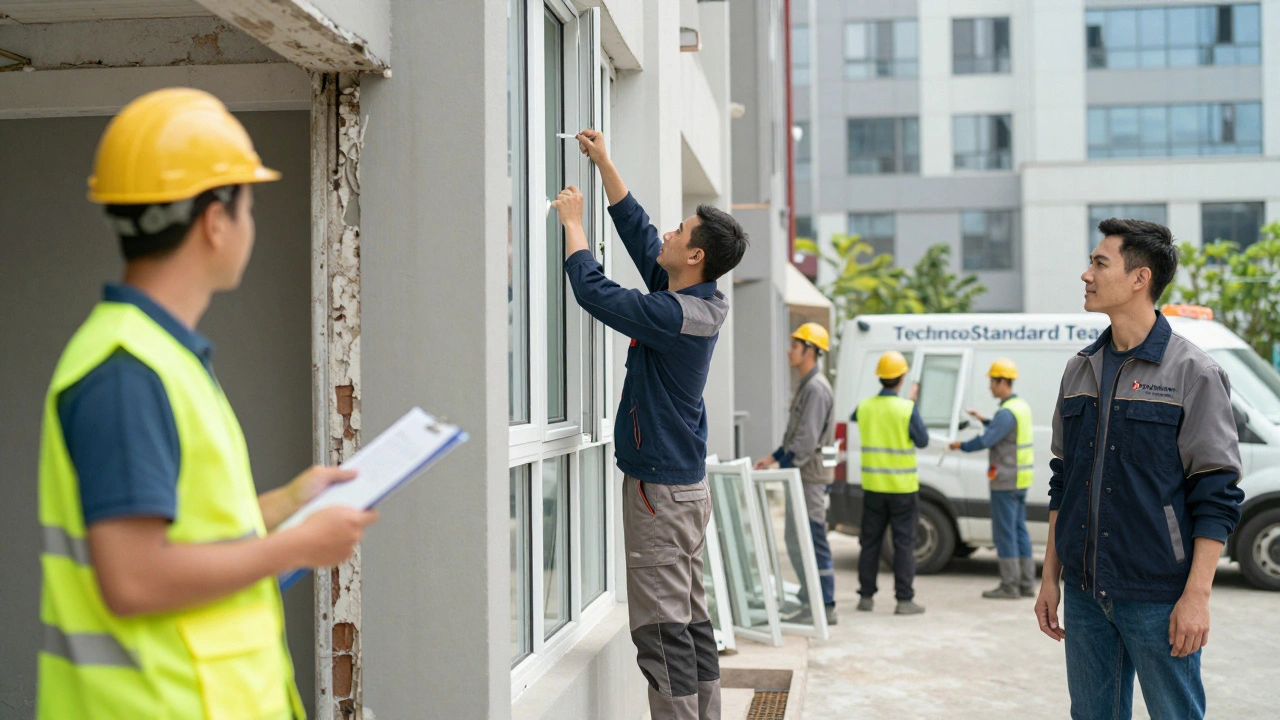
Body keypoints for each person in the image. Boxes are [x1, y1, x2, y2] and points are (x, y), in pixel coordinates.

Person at [37, 88, 377, 719]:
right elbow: (134, 577)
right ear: (215, 220)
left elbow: (177, 527)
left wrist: (283, 505)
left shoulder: (157, 357)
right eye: (246, 203)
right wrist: (299, 546)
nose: (250, 223)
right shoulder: (126, 372)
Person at [552, 129, 748, 720]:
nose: (669, 231)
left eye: (681, 231)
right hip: (680, 489)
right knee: (687, 625)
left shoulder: (674, 313)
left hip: (660, 492)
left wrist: (573, 224)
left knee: (662, 636)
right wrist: (607, 163)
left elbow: (595, 292)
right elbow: (640, 235)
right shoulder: (694, 298)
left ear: (695, 257)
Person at [1035, 219, 1244, 720]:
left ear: (1139, 278)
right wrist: (1050, 577)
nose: (1086, 274)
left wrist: (1197, 597)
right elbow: (1063, 478)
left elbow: (1217, 493)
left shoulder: (1194, 373)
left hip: (1158, 596)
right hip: (1085, 594)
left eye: (1099, 263)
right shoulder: (1078, 369)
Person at [755, 323, 837, 625]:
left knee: (811, 538)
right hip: (802, 475)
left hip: (809, 478)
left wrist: (783, 464)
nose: (790, 351)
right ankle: (810, 599)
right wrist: (774, 458)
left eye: (795, 346)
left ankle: (824, 604)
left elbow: (805, 442)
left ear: (810, 351)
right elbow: (795, 435)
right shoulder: (808, 384)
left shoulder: (816, 388)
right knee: (796, 538)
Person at [948, 359, 1037, 599]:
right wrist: (985, 419)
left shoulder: (1007, 412)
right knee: (1019, 531)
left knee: (1004, 533)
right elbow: (1004, 429)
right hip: (1020, 479)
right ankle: (1027, 583)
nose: (990, 387)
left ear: (1002, 382)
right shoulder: (1020, 407)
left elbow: (987, 440)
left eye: (992, 382)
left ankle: (1009, 585)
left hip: (1005, 480)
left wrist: (960, 446)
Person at [850, 351, 928, 615]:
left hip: (873, 488)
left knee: (870, 543)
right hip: (903, 490)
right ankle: (904, 600)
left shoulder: (865, 407)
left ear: (880, 378)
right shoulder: (906, 408)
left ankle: (866, 598)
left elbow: (855, 418)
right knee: (904, 544)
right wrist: (912, 403)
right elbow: (922, 440)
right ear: (902, 378)